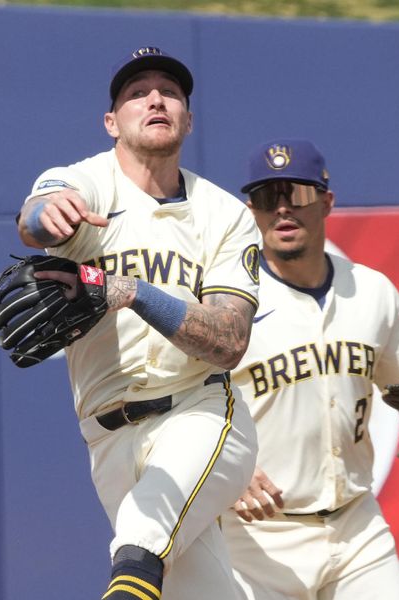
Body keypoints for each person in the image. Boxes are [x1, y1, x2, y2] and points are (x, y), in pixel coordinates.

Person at [15, 47, 262, 600]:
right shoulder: (87, 182)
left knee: (138, 551)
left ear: (187, 119)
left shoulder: (225, 215)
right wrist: (44, 215)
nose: (154, 98)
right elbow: (38, 213)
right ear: (111, 122)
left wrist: (130, 290)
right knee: (199, 590)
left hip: (199, 412)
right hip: (106, 437)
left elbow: (229, 341)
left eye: (169, 91)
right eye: (136, 92)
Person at [220, 138, 399, 600]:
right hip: (257, 540)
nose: (283, 209)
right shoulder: (227, 302)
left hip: (356, 526)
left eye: (297, 194)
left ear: (326, 202)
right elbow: (181, 403)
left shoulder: (372, 291)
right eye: (267, 198)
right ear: (251, 212)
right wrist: (222, 461)